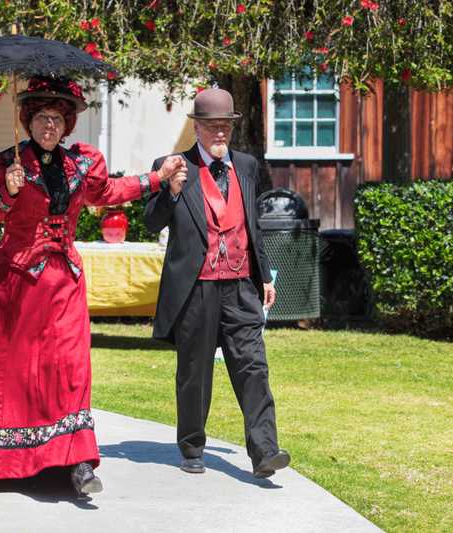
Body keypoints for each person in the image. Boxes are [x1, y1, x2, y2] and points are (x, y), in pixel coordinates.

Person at [0, 76, 185, 495]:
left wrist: (156, 178)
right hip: (14, 286)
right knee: (5, 376)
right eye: (43, 117)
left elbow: (108, 191)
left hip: (65, 284)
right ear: (29, 120)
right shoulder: (2, 163)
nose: (50, 127)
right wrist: (6, 195)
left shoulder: (80, 163)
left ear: (67, 125)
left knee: (68, 369)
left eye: (58, 119)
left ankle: (77, 462)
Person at [144, 88, 290, 479]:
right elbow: (150, 222)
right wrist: (170, 192)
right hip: (196, 288)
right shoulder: (173, 165)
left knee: (253, 367)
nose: (220, 133)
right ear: (197, 127)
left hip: (241, 285)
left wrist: (263, 275)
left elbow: (251, 226)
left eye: (225, 126)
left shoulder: (245, 164)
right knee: (195, 372)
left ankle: (265, 450)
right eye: (212, 126)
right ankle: (192, 446)